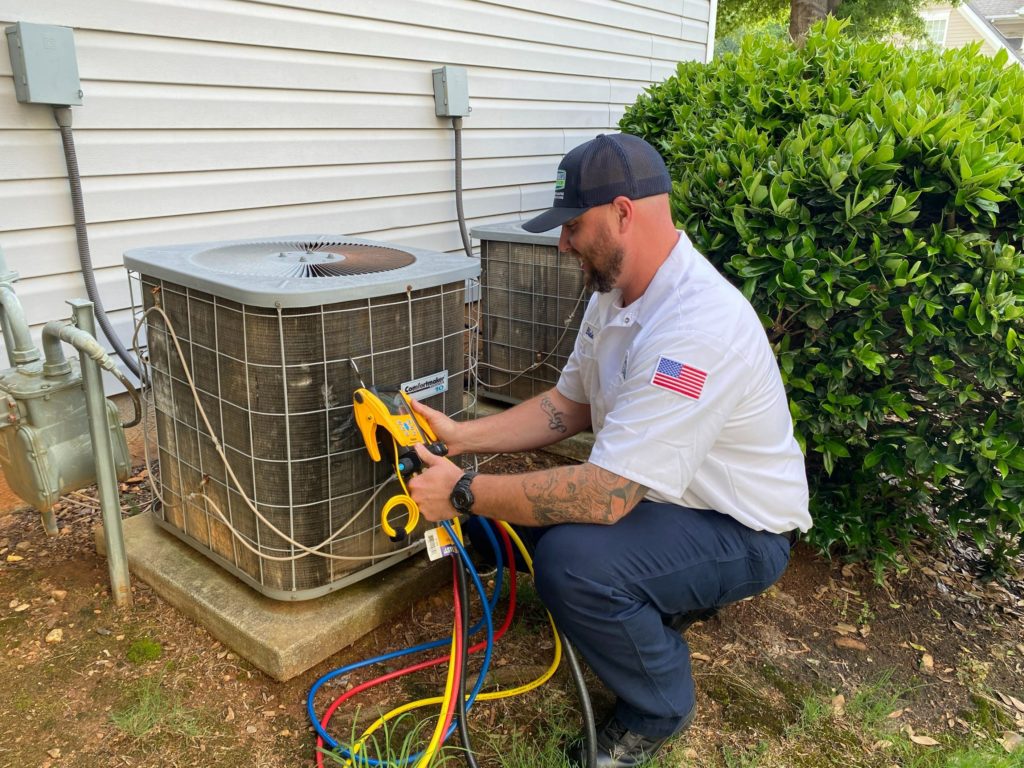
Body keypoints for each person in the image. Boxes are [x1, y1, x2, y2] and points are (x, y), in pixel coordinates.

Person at [407, 133, 811, 768]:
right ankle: (652, 597)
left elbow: (606, 495)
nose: (563, 241)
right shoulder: (615, 295)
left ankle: (660, 704)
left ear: (625, 212)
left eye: (574, 225)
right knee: (500, 527)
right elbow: (568, 407)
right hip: (668, 497)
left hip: (742, 528)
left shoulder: (697, 328)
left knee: (572, 560)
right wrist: (460, 438)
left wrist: (461, 490)